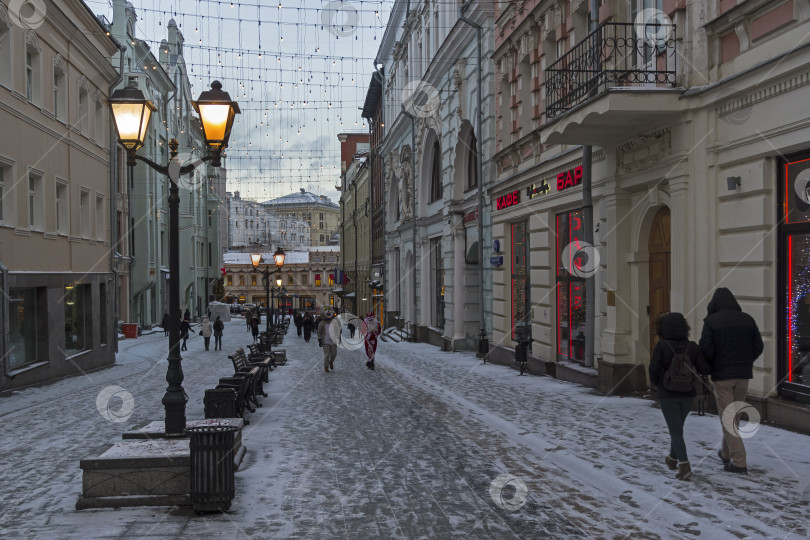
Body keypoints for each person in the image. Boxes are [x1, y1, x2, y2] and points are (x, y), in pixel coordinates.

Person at [699, 287, 764, 474]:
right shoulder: (748, 320)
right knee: (732, 416)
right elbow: (758, 346)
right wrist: (745, 361)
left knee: (728, 419)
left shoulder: (711, 322)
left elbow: (706, 349)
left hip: (722, 377)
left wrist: (712, 365)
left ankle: (739, 462)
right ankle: (726, 453)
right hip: (743, 376)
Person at [649, 312, 711, 481]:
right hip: (688, 393)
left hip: (667, 393)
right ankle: (672, 459)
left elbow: (654, 368)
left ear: (661, 329)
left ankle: (684, 465)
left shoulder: (662, 346)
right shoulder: (692, 346)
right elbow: (704, 368)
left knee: (675, 430)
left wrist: (657, 383)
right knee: (678, 428)